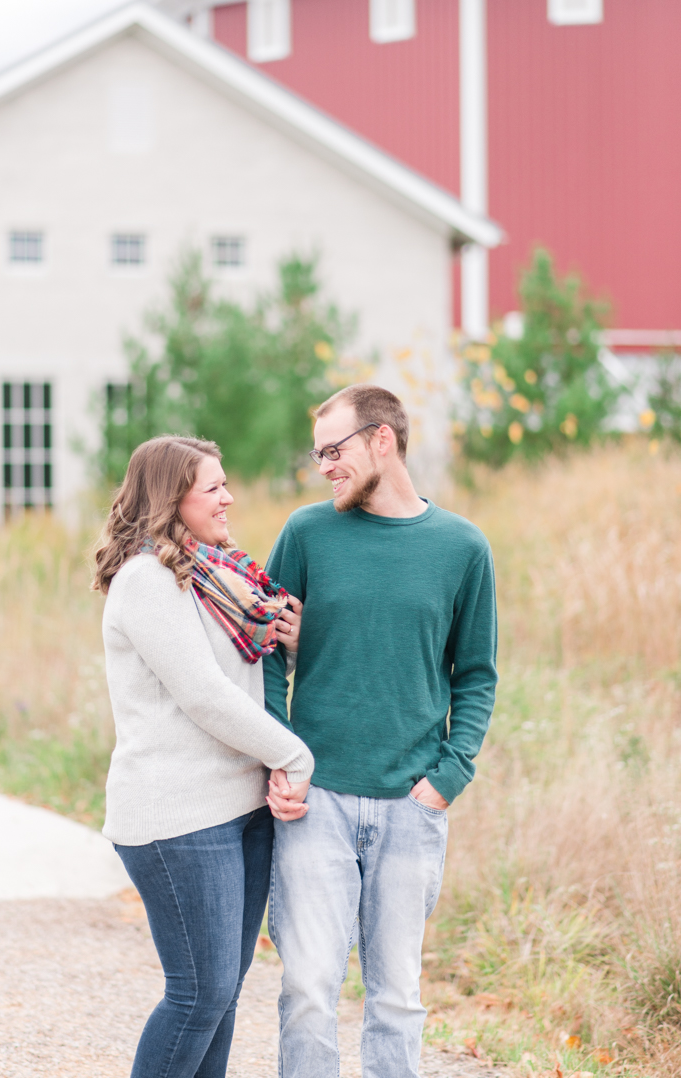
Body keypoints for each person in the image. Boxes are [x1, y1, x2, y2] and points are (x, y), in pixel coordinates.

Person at [262, 383, 498, 1078]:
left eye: (335, 450)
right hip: (317, 801)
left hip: (411, 803)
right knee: (307, 991)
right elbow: (270, 655)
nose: (325, 465)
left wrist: (447, 778)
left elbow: (476, 673)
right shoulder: (305, 534)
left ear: (382, 440)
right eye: (319, 454)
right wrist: (280, 758)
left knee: (396, 999)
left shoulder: (462, 548)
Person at [93, 435, 314, 1078]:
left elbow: (243, 677)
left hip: (237, 806)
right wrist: (293, 756)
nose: (229, 498)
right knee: (199, 994)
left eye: (225, 483)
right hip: (177, 817)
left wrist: (291, 649)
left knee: (220, 997)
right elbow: (203, 694)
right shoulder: (145, 581)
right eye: (213, 487)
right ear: (173, 497)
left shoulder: (212, 577)